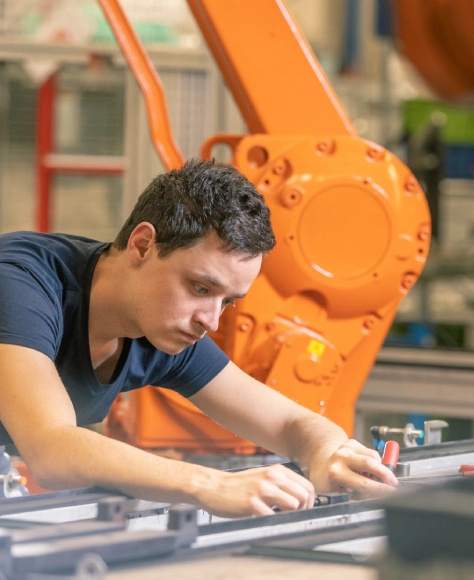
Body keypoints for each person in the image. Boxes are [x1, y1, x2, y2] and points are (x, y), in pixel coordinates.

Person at [0, 158, 397, 518]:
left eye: (228, 301)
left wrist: (326, 454)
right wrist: (210, 484)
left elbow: (292, 422)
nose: (211, 321)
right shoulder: (20, 283)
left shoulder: (160, 325)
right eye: (201, 288)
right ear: (142, 245)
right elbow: (51, 449)